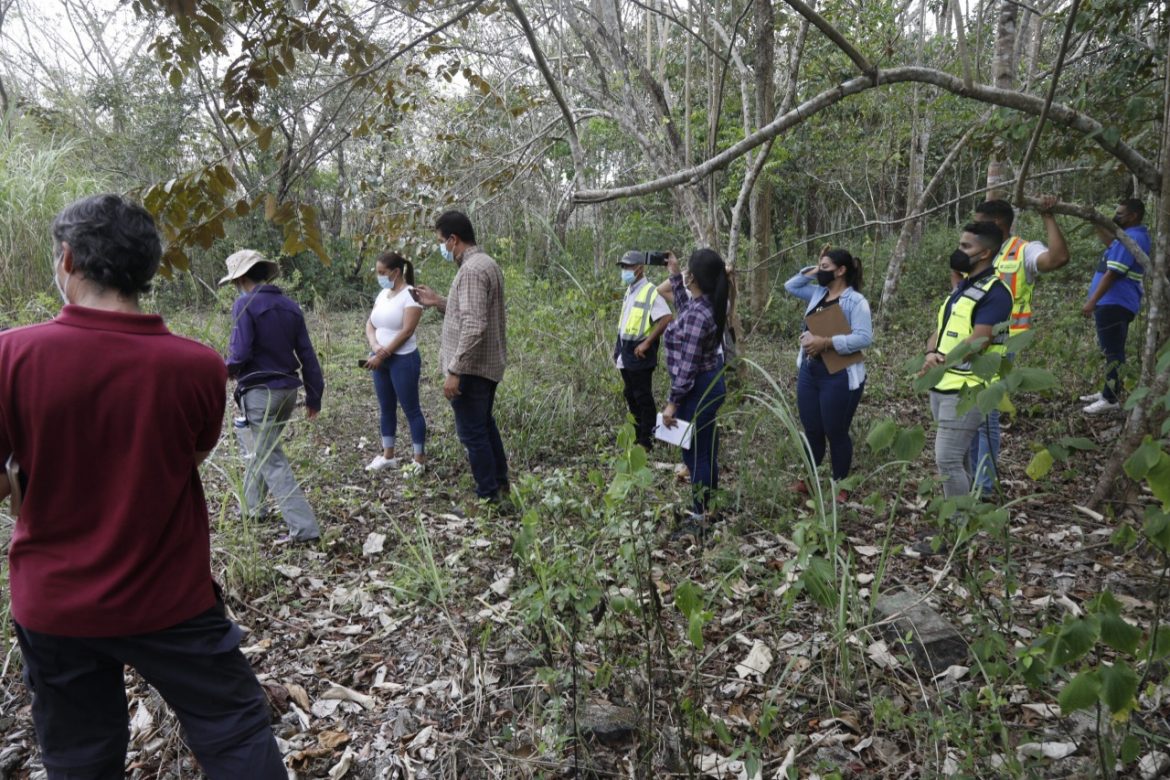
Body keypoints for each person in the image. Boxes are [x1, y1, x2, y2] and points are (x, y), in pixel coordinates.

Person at [0, 194, 285, 779]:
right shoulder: (197, 367)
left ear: (68, 260)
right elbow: (191, 457)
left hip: (54, 604)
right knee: (235, 733)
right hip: (172, 598)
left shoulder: (12, 356)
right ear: (147, 270)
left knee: (79, 758)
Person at [967, 197, 1070, 492]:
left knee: (987, 415)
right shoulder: (977, 249)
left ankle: (983, 487)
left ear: (999, 224)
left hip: (1002, 347)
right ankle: (970, 478)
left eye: (981, 223)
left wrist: (1048, 216)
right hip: (970, 341)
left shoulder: (1023, 250)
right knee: (968, 412)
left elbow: (1057, 259)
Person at [221, 249, 324, 543]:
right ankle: (252, 508)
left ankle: (304, 529)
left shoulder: (245, 304)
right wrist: (315, 395)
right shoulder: (290, 306)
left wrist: (222, 371)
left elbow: (239, 353)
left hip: (260, 393)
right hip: (288, 392)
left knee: (271, 458)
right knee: (262, 450)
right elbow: (307, 354)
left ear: (240, 278)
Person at [413, 210, 510, 504]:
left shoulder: (470, 271)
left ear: (454, 240)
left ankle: (488, 497)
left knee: (472, 434)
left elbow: (474, 324)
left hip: (472, 369)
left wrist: (455, 370)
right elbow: (470, 311)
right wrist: (439, 301)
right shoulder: (485, 263)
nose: (443, 248)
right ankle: (500, 484)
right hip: (486, 365)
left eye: (442, 242)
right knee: (484, 426)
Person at [921, 221, 1013, 499]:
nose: (959, 251)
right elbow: (940, 330)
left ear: (984, 253)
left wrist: (943, 360)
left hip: (968, 389)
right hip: (943, 384)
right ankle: (965, 521)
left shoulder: (995, 293)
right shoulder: (963, 288)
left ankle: (956, 529)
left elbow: (980, 339)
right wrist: (929, 354)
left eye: (966, 246)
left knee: (947, 460)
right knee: (958, 460)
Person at [783, 248, 872, 501]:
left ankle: (840, 484)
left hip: (840, 375)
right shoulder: (818, 293)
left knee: (836, 430)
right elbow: (791, 285)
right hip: (811, 372)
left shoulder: (856, 302)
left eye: (826, 267)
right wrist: (817, 268)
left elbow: (864, 338)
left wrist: (827, 342)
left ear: (841, 270)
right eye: (820, 267)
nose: (821, 272)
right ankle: (809, 479)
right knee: (812, 429)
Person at [661, 249, 729, 536]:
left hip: (698, 387)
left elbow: (687, 366)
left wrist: (672, 404)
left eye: (688, 271)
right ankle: (709, 506)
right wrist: (675, 276)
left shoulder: (701, 316)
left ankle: (701, 516)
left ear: (696, 278)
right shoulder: (705, 304)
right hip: (709, 383)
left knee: (695, 454)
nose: (685, 274)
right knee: (705, 450)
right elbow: (683, 309)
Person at [1081, 198, 1150, 414]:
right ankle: (1107, 392)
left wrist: (1091, 302)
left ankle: (1110, 398)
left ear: (1133, 216)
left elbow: (1112, 273)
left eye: (1120, 214)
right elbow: (1111, 243)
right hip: (1113, 303)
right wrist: (1095, 222)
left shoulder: (1135, 237)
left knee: (1113, 352)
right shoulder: (1126, 237)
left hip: (1114, 303)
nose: (1116, 217)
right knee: (1110, 349)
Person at [364, 251, 427, 474]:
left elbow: (407, 330)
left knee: (411, 409)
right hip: (379, 359)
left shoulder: (411, 295)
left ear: (396, 272)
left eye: (382, 272)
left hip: (403, 360)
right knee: (386, 407)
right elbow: (370, 323)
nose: (379, 276)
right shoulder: (383, 294)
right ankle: (387, 455)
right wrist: (374, 346)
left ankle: (418, 459)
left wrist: (384, 353)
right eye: (377, 272)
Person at [614, 250, 673, 450]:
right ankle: (637, 433)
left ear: (640, 268)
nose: (625, 271)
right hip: (626, 351)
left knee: (642, 396)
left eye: (628, 267)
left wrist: (647, 343)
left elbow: (666, 318)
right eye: (623, 267)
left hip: (640, 353)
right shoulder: (630, 289)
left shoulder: (649, 291)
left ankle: (646, 439)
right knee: (630, 393)